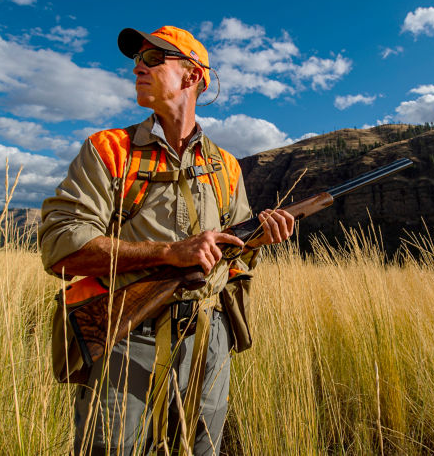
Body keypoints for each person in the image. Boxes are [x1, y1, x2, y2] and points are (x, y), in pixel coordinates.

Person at [39, 25, 294, 456]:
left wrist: (261, 239)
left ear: (192, 76)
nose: (138, 66)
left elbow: (234, 257)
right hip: (125, 330)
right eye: (138, 58)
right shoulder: (108, 149)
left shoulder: (226, 167)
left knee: (201, 448)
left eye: (155, 59)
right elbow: (60, 245)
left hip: (208, 335)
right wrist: (167, 253)